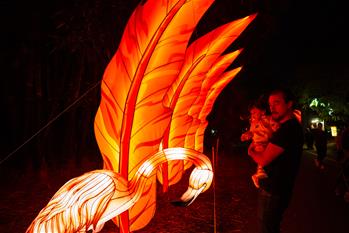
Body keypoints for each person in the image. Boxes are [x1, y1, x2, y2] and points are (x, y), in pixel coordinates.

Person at [247, 88, 304, 233]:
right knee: (270, 226)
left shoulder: (288, 130)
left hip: (274, 189)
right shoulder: (284, 128)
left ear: (289, 104)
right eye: (270, 104)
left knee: (267, 227)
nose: (272, 107)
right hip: (277, 187)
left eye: (277, 103)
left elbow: (264, 159)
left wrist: (250, 151)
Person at [241, 99, 279, 188]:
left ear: (263, 111)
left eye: (254, 112)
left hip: (267, 142)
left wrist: (277, 128)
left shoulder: (268, 119)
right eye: (251, 113)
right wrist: (246, 135)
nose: (252, 115)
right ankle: (259, 174)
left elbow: (274, 126)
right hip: (258, 143)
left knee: (266, 159)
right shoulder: (253, 123)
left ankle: (259, 174)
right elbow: (251, 132)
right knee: (262, 158)